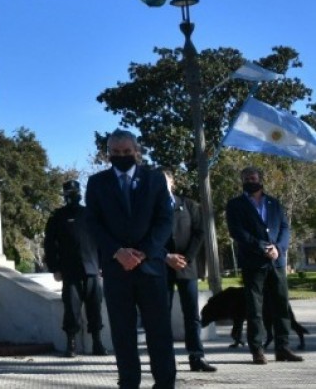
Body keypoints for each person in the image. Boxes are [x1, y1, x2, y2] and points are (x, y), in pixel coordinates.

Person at [85, 129, 176, 389]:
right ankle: (128, 383)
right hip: (116, 270)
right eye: (116, 153)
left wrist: (143, 251)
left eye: (126, 152)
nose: (121, 156)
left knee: (159, 333)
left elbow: (164, 221)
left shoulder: (155, 179)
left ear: (137, 152)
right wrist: (117, 251)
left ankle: (165, 383)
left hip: (151, 269)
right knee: (123, 334)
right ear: (108, 154)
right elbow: (93, 223)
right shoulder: (97, 183)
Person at [225, 165, 303, 365]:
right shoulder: (235, 204)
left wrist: (278, 248)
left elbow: (285, 228)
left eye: (253, 177)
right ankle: (257, 350)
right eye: (247, 178)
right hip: (253, 263)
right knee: (255, 309)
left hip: (276, 262)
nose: (251, 181)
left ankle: (283, 348)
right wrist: (262, 247)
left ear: (261, 179)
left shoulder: (274, 203)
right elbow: (237, 232)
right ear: (243, 181)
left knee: (281, 306)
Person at [42, 179, 107, 358]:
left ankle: (97, 342)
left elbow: (101, 242)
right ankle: (71, 344)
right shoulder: (57, 217)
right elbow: (49, 245)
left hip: (92, 269)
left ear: (80, 193)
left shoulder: (91, 214)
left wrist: (102, 265)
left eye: (74, 193)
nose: (72, 196)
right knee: (71, 309)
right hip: (69, 271)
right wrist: (54, 268)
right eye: (68, 193)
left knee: (95, 308)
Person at [161, 169, 216, 373]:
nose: (161, 184)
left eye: (164, 180)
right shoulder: (150, 208)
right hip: (162, 266)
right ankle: (165, 359)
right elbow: (148, 236)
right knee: (161, 315)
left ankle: (196, 357)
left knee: (192, 314)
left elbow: (200, 232)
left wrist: (187, 257)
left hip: (187, 267)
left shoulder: (189, 205)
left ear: (172, 182)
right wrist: (166, 257)